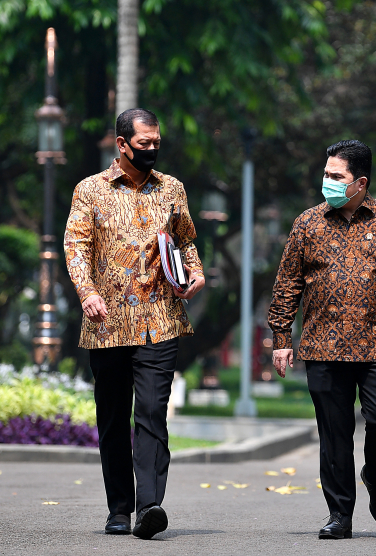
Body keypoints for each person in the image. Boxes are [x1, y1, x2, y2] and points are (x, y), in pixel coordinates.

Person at [268, 139, 376, 540]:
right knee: (334, 434)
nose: (326, 181)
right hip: (322, 345)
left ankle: (375, 478)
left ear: (360, 182)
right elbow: (287, 285)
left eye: (335, 176)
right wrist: (281, 336)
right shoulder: (307, 223)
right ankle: (339, 515)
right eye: (325, 174)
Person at [64, 108, 205, 539]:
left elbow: (184, 241)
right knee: (111, 417)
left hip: (160, 319)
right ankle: (119, 507)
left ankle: (149, 507)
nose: (152, 150)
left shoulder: (172, 189)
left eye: (157, 144)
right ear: (122, 144)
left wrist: (195, 273)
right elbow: (76, 246)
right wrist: (87, 292)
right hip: (107, 324)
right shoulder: (90, 191)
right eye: (144, 144)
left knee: (150, 411)